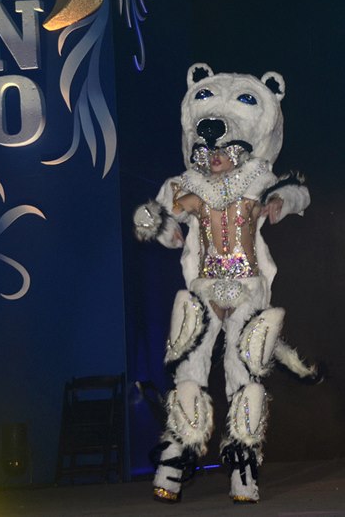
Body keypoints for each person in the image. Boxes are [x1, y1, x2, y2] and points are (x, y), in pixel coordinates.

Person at [133, 64, 319, 504]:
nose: (215, 155)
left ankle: (243, 467)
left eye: (224, 150)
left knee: (245, 374)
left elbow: (299, 192)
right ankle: (174, 460)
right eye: (208, 150)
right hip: (203, 289)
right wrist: (161, 227)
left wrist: (279, 201)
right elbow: (155, 215)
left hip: (248, 288)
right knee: (189, 371)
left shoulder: (257, 178)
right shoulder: (186, 185)